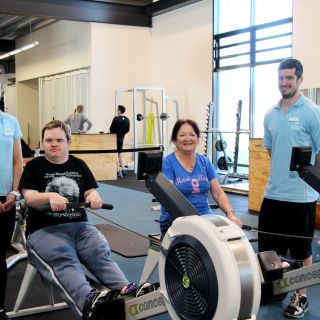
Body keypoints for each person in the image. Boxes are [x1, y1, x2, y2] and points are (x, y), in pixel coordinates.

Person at [19, 120, 154, 320]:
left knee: (98, 250)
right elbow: (29, 198)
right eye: (48, 140)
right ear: (42, 142)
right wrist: (49, 196)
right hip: (45, 230)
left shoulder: (78, 164)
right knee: (64, 259)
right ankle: (89, 299)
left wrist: (93, 197)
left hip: (80, 227)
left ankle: (126, 289)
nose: (53, 144)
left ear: (68, 142)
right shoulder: (34, 167)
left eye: (58, 140)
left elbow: (91, 190)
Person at [259, 58, 320, 318]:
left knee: (302, 251)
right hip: (273, 193)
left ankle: (301, 296)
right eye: (281, 78)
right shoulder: (270, 114)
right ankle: (279, 286)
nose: (284, 83)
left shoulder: (312, 112)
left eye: (289, 79)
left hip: (301, 196)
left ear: (299, 80)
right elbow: (273, 152)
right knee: (268, 249)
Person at [159, 119, 243, 235]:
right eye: (182, 135)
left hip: (204, 218)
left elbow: (217, 192)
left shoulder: (204, 162)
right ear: (174, 140)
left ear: (197, 139)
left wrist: (230, 213)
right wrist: (195, 223)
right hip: (176, 219)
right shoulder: (168, 163)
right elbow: (170, 197)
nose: (188, 139)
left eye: (192, 135)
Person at [0, 110, 23, 320]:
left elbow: (17, 161)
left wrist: (14, 192)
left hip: (5, 197)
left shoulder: (10, 122)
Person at [110, 105, 130, 177]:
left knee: (116, 154)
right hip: (122, 138)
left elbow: (111, 129)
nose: (116, 111)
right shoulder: (127, 119)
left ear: (119, 110)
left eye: (117, 109)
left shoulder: (116, 118)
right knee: (120, 153)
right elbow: (127, 129)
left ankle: (118, 170)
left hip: (115, 138)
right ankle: (123, 169)